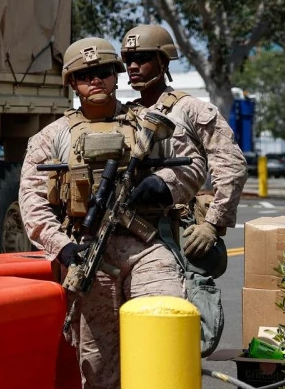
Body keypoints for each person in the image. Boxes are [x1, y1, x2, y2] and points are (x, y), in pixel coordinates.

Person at [19, 37, 207, 389]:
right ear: (72, 83)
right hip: (88, 256)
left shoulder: (148, 124)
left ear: (116, 76)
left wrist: (164, 184)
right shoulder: (51, 137)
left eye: (104, 71)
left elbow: (191, 164)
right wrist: (62, 247)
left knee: (163, 328)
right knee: (98, 364)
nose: (96, 80)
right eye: (85, 74)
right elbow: (32, 203)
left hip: (146, 247)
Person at [120, 24, 247, 265]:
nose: (133, 66)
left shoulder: (191, 109)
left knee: (193, 298)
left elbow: (231, 165)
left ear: (163, 63)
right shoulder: (124, 114)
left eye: (143, 58)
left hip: (178, 230)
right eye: (129, 60)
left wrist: (211, 224)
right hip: (128, 231)